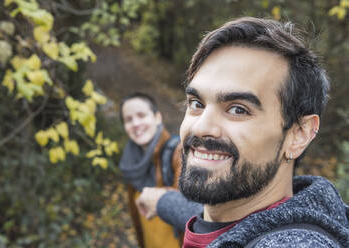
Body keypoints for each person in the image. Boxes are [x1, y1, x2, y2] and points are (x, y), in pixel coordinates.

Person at [136, 17, 349, 247]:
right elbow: (198, 215)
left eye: (238, 109)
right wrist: (162, 200)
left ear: (299, 134)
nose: (201, 127)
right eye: (197, 104)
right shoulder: (234, 215)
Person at [119, 92, 182, 248]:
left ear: (157, 117)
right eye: (129, 119)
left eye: (141, 115)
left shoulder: (179, 153)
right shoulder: (131, 162)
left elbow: (194, 212)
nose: (135, 123)